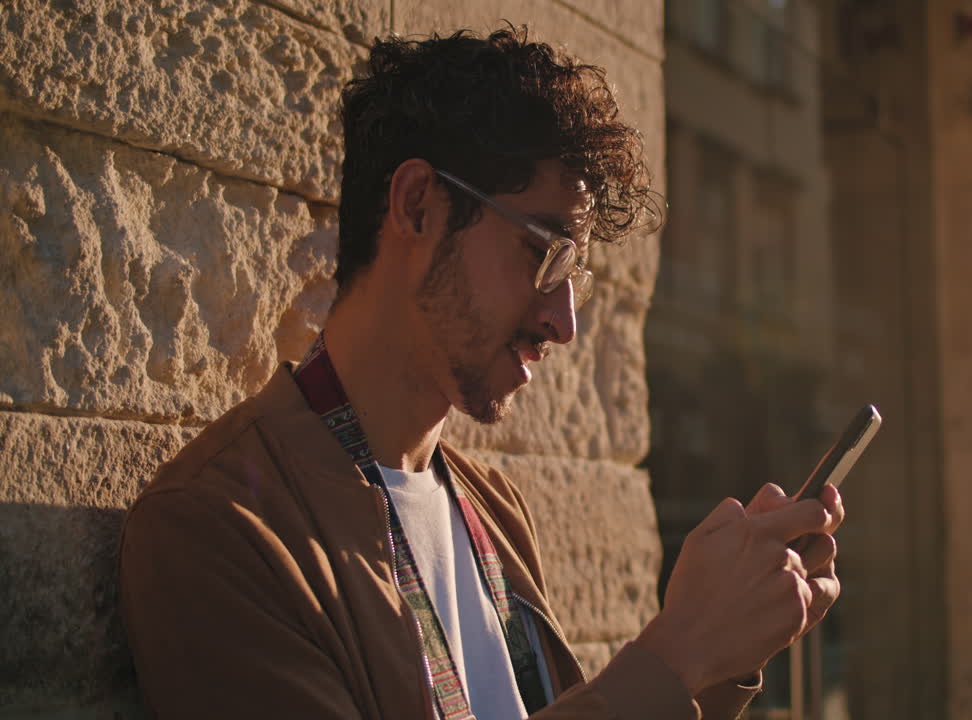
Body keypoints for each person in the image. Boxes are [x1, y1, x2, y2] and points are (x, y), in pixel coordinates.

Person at [118, 27, 844, 720]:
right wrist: (679, 649)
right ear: (417, 206)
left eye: (576, 276)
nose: (564, 322)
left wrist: (720, 656)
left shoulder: (493, 508)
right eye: (544, 253)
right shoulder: (217, 528)